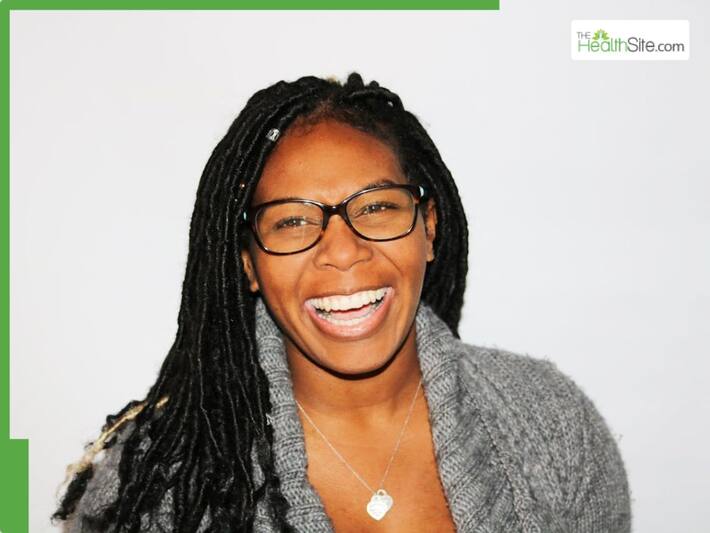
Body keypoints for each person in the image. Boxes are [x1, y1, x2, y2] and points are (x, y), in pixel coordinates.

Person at [53, 72, 631, 532]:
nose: (344, 251)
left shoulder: (551, 425)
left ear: (429, 227)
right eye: (292, 221)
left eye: (376, 207)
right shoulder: (161, 487)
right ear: (248, 263)